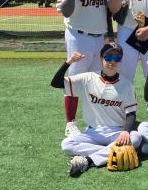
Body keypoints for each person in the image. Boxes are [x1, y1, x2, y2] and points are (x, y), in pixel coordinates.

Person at [50, 44, 140, 177]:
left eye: (116, 58)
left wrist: (126, 131)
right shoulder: (88, 78)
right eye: (108, 57)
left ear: (121, 61)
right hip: (93, 132)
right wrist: (68, 62)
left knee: (135, 138)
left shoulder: (126, 85)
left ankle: (88, 160)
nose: (112, 61)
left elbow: (131, 114)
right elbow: (56, 83)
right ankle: (111, 151)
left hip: (117, 132)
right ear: (101, 59)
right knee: (67, 144)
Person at [56, 0, 112, 137]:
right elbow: (66, 11)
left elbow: (106, 12)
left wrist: (109, 35)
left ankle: (95, 120)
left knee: (97, 81)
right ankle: (70, 123)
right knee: (74, 80)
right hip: (78, 37)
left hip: (99, 39)